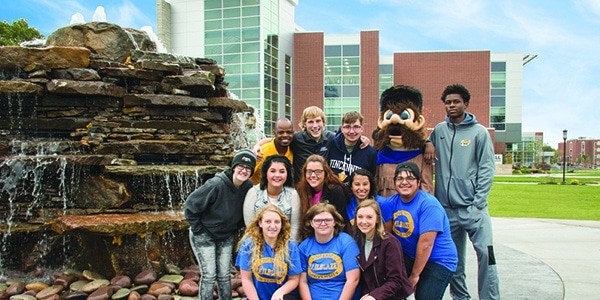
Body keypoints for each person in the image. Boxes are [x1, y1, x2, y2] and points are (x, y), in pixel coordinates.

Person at [426, 84, 500, 300]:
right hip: (447, 211)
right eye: (448, 102)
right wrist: (427, 142)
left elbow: (487, 168)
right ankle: (460, 297)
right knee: (453, 259)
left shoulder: (479, 133)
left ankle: (490, 297)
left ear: (466, 104)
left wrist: (478, 203)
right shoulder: (439, 130)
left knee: (487, 255)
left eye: (456, 101)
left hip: (473, 209)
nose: (451, 105)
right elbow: (424, 143)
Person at [184, 149, 257, 300]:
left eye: (248, 168)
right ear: (233, 167)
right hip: (204, 234)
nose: (244, 170)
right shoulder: (216, 184)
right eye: (241, 166)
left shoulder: (248, 187)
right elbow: (190, 205)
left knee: (224, 275)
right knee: (209, 275)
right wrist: (198, 230)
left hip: (226, 235)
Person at [384, 162, 457, 299]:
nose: (404, 182)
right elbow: (388, 237)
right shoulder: (390, 203)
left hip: (438, 260)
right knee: (390, 289)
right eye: (400, 179)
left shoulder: (429, 204)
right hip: (410, 256)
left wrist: (414, 276)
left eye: (410, 179)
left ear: (418, 182)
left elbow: (426, 244)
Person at [236, 205, 302, 300]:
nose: (272, 226)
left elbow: (294, 279)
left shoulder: (290, 245)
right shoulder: (249, 244)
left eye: (277, 222)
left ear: (282, 224)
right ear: (260, 223)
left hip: (282, 297)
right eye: (268, 221)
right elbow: (246, 279)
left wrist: (279, 293)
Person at [352, 199, 413, 300]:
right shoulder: (357, 242)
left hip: (398, 296)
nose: (364, 221)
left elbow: (396, 280)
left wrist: (374, 296)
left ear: (377, 219)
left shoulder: (390, 243)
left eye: (369, 217)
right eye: (360, 217)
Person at [298, 203, 360, 300]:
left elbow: (353, 280)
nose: (323, 224)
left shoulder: (346, 242)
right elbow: (302, 282)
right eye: (318, 220)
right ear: (311, 223)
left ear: (334, 222)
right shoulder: (304, 247)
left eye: (327, 220)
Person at [243, 155, 302, 242]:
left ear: (287, 174)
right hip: (258, 244)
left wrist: (287, 249)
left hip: (285, 245)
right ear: (266, 173)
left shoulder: (293, 195)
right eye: (273, 171)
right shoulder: (254, 193)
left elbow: (295, 228)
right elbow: (250, 227)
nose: (277, 175)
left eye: (282, 171)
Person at [296, 154, 348, 225]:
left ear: (326, 173)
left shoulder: (336, 191)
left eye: (318, 171)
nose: (313, 175)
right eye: (309, 171)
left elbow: (341, 221)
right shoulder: (300, 190)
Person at [327, 111, 377, 183]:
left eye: (356, 127)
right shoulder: (331, 145)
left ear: (362, 129)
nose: (351, 131)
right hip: (333, 193)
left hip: (357, 193)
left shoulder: (370, 153)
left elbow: (372, 180)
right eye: (347, 127)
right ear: (342, 128)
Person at [345, 169, 392, 234]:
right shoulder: (347, 203)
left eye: (365, 184)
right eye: (357, 184)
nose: (361, 188)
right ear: (351, 187)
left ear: (370, 185)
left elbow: (387, 233)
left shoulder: (382, 203)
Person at [250, 118, 294, 184]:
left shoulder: (293, 149)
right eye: (281, 132)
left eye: (289, 132)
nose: (285, 135)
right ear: (274, 133)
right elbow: (247, 175)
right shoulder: (261, 152)